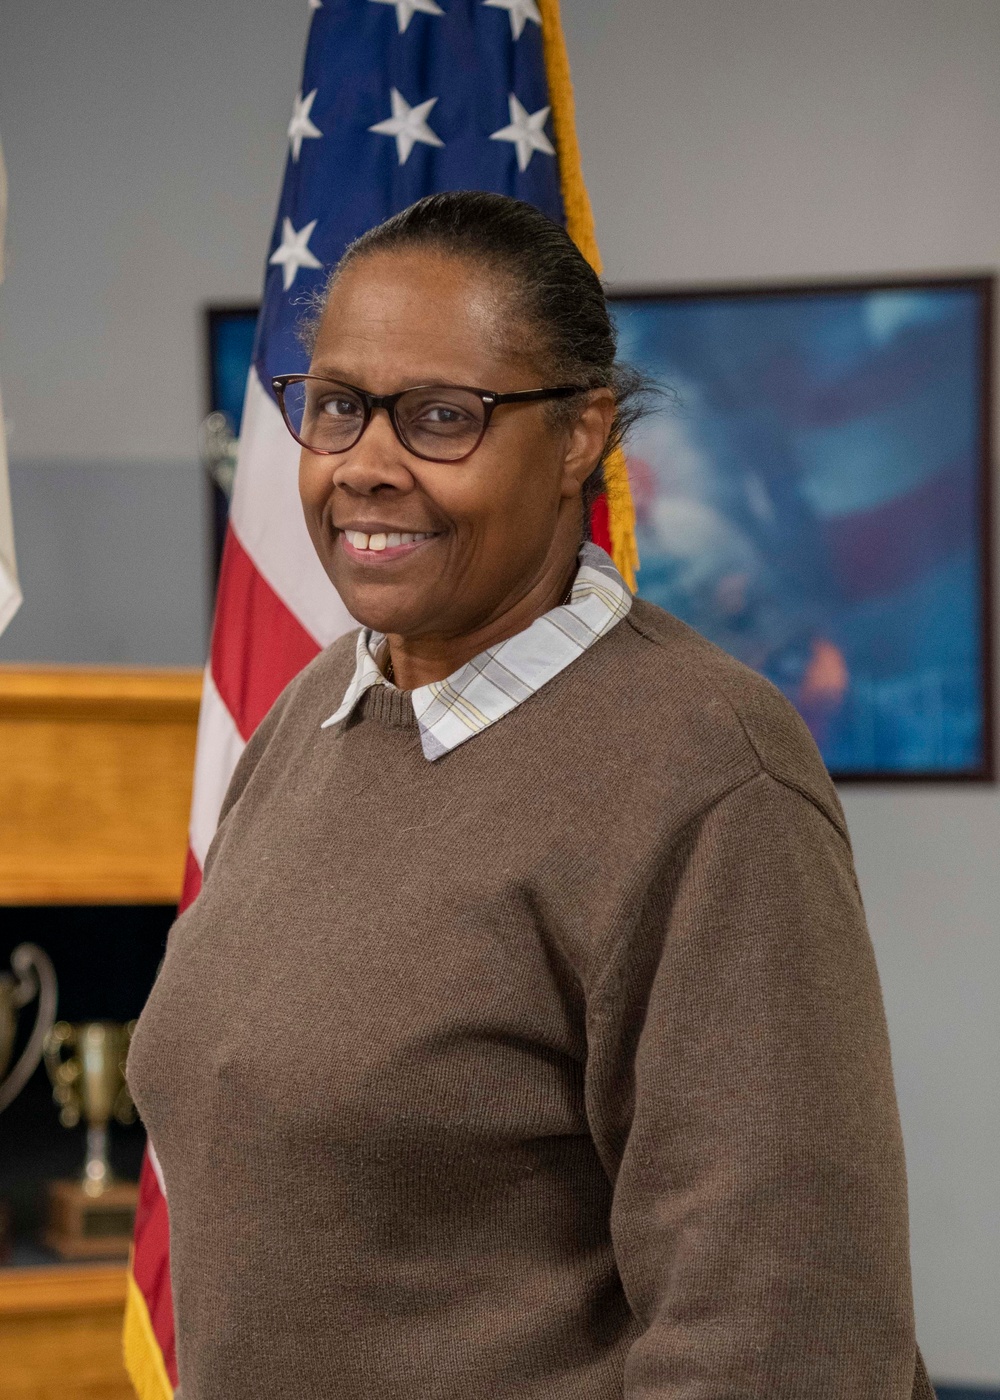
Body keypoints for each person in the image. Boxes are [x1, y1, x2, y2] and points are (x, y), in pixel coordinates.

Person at [127, 191, 934, 1399]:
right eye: (338, 406)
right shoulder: (307, 714)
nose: (366, 466)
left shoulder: (711, 771)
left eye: (441, 417)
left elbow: (786, 1341)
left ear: (578, 436)